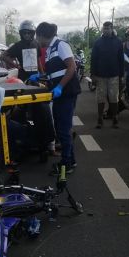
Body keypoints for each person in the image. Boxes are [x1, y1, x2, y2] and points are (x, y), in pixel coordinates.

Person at [35, 22, 81, 174]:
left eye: (37, 36)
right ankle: (70, 160)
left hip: (66, 92)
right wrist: (41, 76)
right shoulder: (49, 49)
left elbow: (71, 67)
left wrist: (60, 86)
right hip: (59, 94)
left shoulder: (60, 45)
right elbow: (55, 72)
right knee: (62, 129)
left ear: (42, 35)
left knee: (63, 129)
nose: (36, 39)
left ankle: (66, 164)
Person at [90, 21, 125, 129]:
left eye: (108, 28)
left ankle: (115, 118)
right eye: (104, 28)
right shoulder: (98, 42)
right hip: (100, 75)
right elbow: (93, 59)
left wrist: (121, 75)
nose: (106, 30)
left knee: (114, 98)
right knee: (100, 98)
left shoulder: (118, 42)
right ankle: (100, 119)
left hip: (114, 75)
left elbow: (121, 59)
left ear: (112, 29)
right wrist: (93, 74)